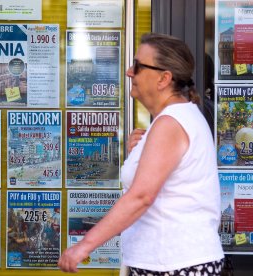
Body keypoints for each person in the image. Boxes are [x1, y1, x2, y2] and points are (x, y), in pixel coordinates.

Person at [58, 33, 224, 275]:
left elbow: (141, 197)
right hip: (169, 261)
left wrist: (83, 246)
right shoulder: (171, 120)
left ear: (164, 78)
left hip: (175, 264)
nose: (128, 72)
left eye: (137, 66)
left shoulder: (170, 124)